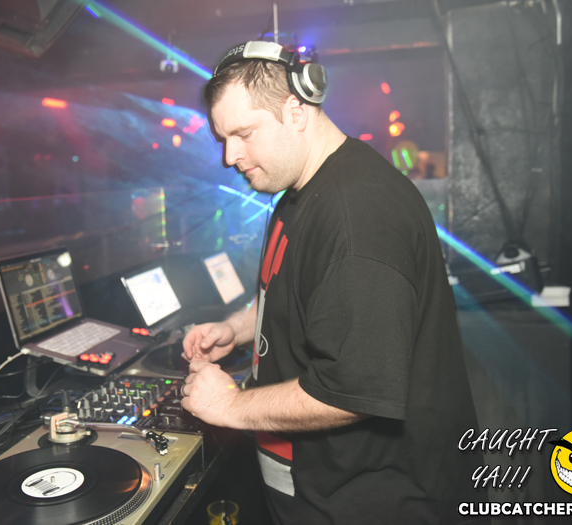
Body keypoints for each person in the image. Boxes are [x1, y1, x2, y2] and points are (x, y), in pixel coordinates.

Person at [181, 41, 482, 524]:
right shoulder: (300, 189)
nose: (229, 155)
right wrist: (237, 328)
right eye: (223, 138)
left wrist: (230, 405)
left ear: (296, 111)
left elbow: (350, 390)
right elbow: (302, 294)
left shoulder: (358, 219)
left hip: (376, 506)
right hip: (322, 490)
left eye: (243, 134)